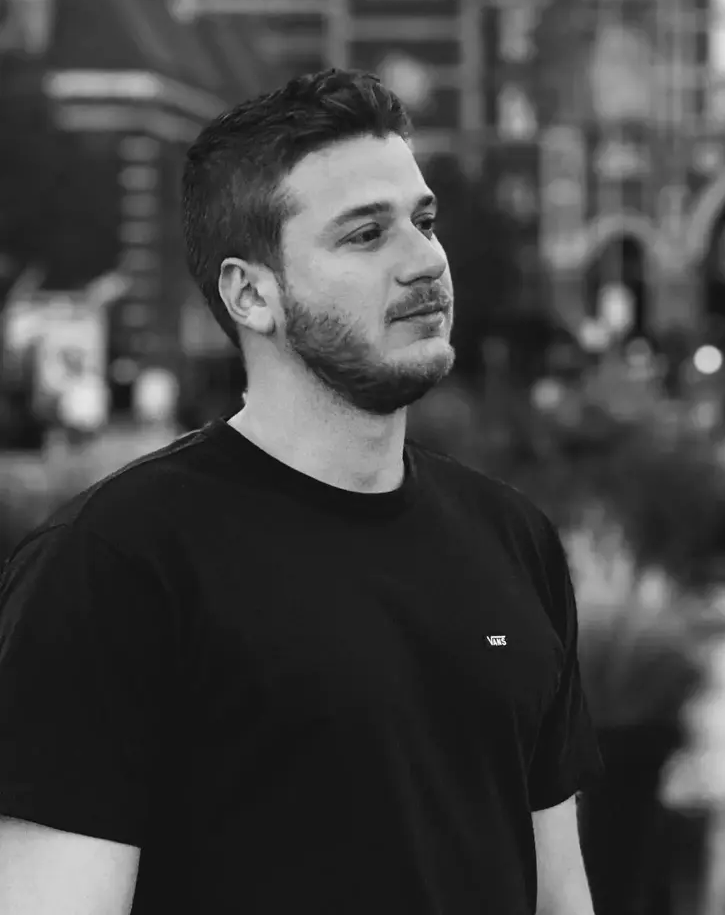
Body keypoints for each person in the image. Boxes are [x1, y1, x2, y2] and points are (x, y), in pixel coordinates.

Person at [0, 70, 603, 915]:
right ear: (252, 294)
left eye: (423, 223)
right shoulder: (114, 566)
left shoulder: (514, 540)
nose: (424, 261)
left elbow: (559, 894)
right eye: (365, 236)